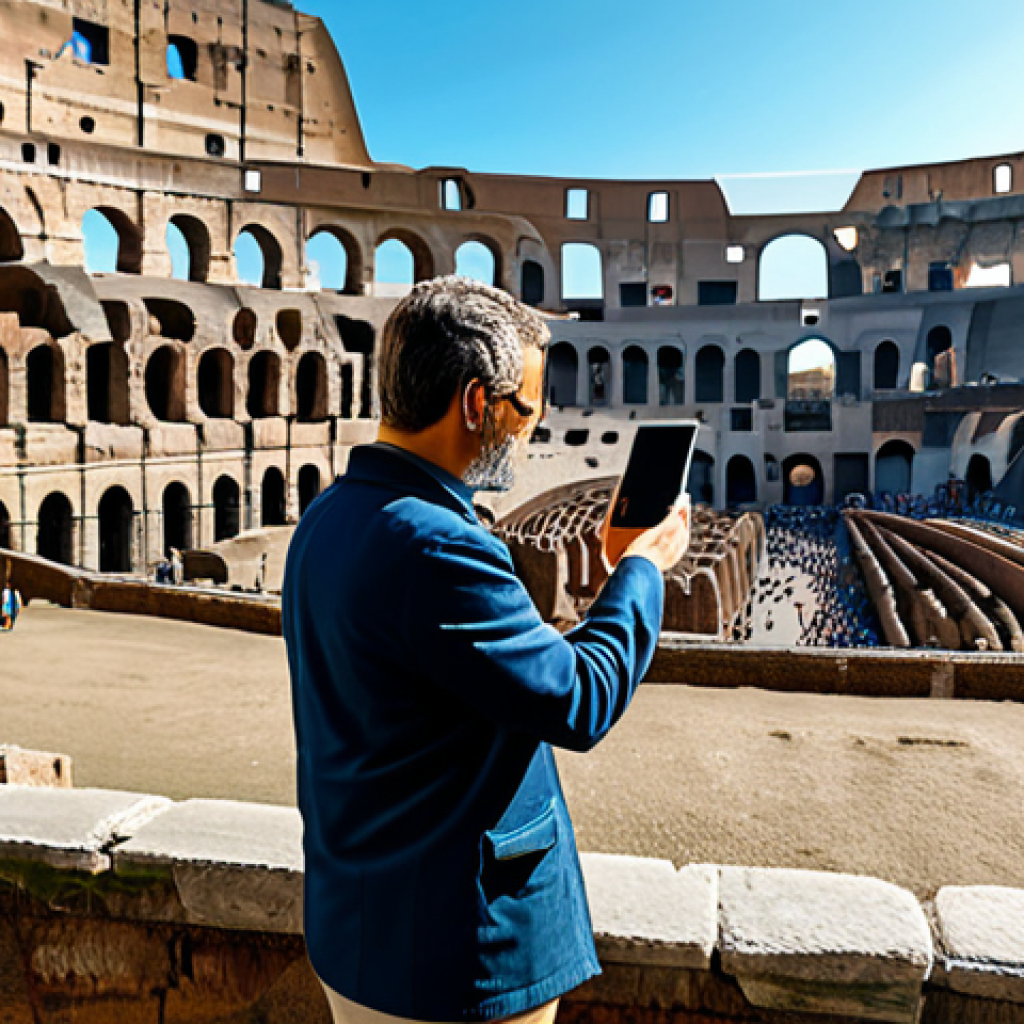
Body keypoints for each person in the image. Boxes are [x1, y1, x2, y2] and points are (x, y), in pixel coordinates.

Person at [283, 277, 690, 1024]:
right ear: (478, 403)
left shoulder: (328, 517)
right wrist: (642, 567)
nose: (532, 429)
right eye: (526, 407)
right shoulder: (435, 544)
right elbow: (580, 697)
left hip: (359, 925)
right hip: (454, 955)